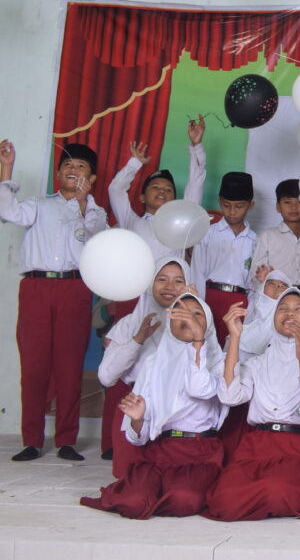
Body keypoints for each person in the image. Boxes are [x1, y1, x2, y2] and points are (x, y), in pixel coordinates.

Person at [0, 139, 107, 462]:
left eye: (81, 167)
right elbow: (7, 211)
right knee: (33, 366)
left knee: (69, 366)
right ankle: (32, 440)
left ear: (91, 178)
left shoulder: (96, 213)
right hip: (36, 288)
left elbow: (96, 237)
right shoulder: (39, 205)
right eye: (68, 165)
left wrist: (83, 203)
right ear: (58, 173)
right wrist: (6, 168)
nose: (73, 170)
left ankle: (66, 440)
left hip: (74, 289)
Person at [80, 293, 226, 518]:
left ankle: (165, 494)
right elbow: (138, 438)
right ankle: (155, 492)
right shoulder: (153, 363)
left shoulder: (218, 361)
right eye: (181, 313)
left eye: (197, 314)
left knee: (183, 501)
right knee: (133, 503)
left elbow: (200, 389)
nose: (189, 319)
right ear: (170, 320)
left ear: (208, 324)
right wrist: (138, 419)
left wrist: (198, 342)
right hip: (159, 451)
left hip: (198, 452)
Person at [205, 289, 300, 520]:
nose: (289, 314)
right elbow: (229, 396)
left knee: (278, 491)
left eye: (298, 309)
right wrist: (235, 338)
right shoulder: (257, 363)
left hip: (298, 449)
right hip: (257, 446)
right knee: (224, 500)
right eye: (282, 309)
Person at [97, 257, 189, 466]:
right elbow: (106, 377)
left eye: (178, 281)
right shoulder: (129, 323)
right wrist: (137, 340)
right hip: (136, 409)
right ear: (150, 283)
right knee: (133, 480)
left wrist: (191, 320)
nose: (169, 287)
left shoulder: (198, 323)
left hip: (178, 415)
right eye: (162, 279)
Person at [107, 117, 206, 268]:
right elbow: (116, 189)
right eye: (155, 187)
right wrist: (134, 163)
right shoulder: (130, 221)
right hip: (136, 283)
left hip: (169, 283)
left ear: (174, 201)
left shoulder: (180, 225)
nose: (162, 191)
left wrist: (196, 146)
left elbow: (195, 183)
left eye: (168, 189)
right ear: (142, 197)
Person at [191, 171, 257, 347]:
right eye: (226, 205)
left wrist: (249, 312)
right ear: (219, 202)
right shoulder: (207, 233)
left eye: (239, 206)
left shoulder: (255, 241)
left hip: (240, 302)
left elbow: (253, 284)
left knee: (232, 349)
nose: (232, 212)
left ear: (251, 205)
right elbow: (197, 271)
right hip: (209, 297)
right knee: (204, 346)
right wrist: (198, 306)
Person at [251, 179, 300, 294]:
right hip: (275, 297)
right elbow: (256, 275)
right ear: (278, 207)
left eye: (299, 202)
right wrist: (272, 293)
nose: (294, 207)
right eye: (287, 202)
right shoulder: (268, 237)